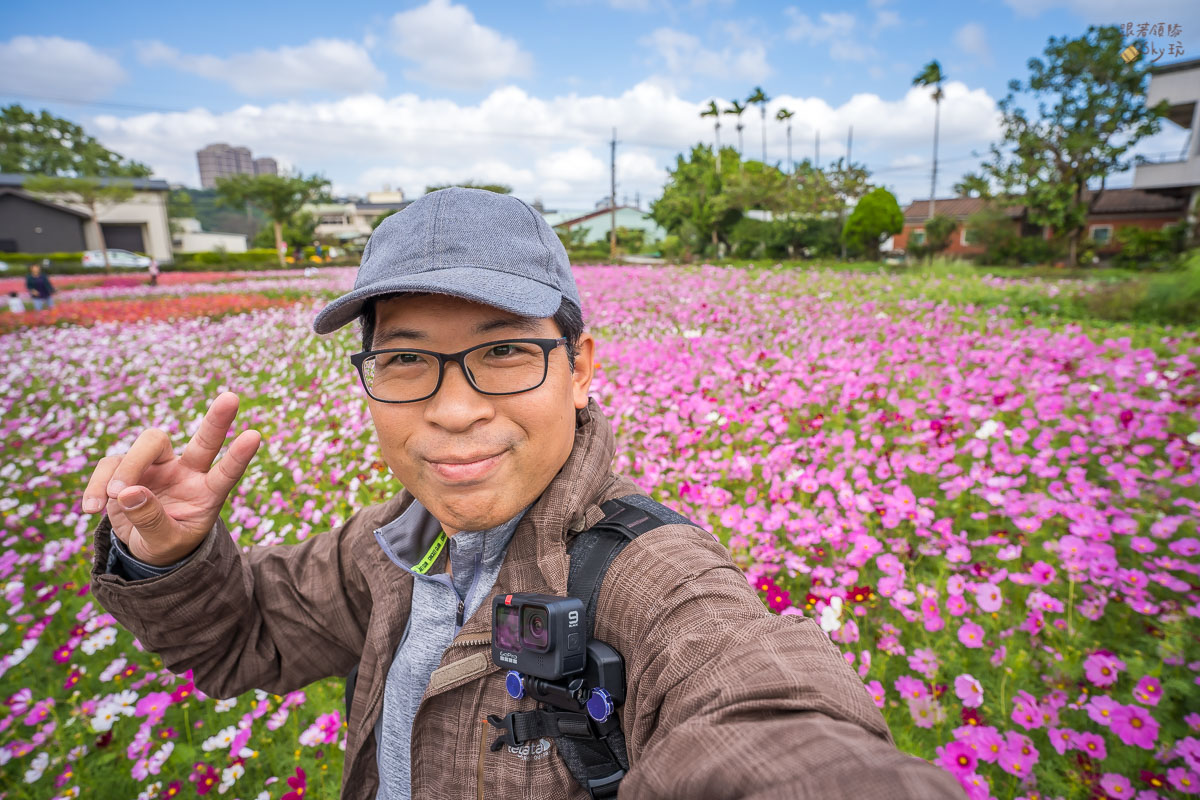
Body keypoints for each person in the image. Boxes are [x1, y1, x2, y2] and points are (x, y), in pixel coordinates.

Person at [82, 188, 965, 800]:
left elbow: (764, 718)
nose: (455, 409)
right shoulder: (390, 542)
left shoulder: (646, 575)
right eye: (404, 359)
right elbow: (242, 639)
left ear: (579, 369)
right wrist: (171, 555)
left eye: (505, 350)